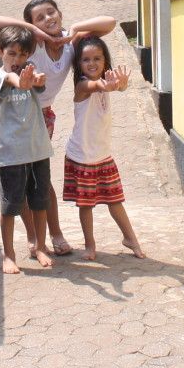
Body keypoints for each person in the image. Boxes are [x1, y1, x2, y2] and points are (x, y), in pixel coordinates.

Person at [0, 0, 116, 256]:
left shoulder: (71, 42)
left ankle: (53, 233)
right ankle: (34, 237)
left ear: (59, 13)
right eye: (40, 17)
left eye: (51, 12)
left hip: (42, 116)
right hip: (13, 113)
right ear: (31, 25)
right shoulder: (31, 44)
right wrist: (35, 32)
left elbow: (110, 23)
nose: (48, 19)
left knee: (42, 181)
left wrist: (76, 29)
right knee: (19, 181)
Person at [64, 34, 146, 260]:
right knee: (86, 205)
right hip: (81, 156)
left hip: (102, 156)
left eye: (97, 59)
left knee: (115, 200)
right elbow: (97, 85)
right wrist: (109, 85)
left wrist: (121, 84)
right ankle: (90, 246)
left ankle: (131, 239)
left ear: (105, 62)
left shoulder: (105, 84)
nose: (92, 63)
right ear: (78, 65)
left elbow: (116, 87)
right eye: (86, 60)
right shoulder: (82, 86)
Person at [0, 25, 54, 275]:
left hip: (38, 149)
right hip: (12, 153)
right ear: (0, 52)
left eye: (23, 55)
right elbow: (11, 79)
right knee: (11, 203)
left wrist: (35, 81)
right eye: (11, 53)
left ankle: (40, 245)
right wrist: (21, 81)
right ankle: (8, 254)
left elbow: (35, 83)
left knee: (40, 201)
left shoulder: (31, 74)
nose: (17, 60)